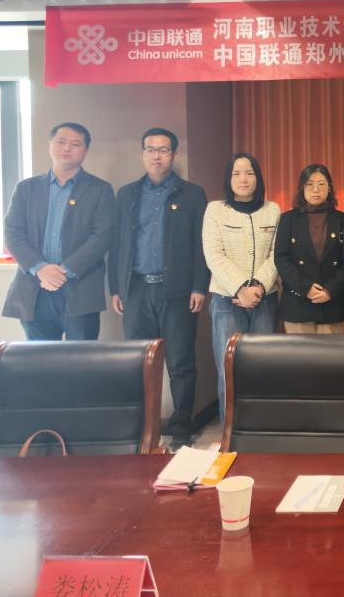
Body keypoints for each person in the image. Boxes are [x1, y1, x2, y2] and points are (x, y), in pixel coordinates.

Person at [109, 128, 209, 449]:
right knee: (139, 360)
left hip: (177, 291)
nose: (157, 156)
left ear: (173, 155)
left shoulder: (192, 194)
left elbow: (200, 244)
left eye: (164, 150)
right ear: (142, 154)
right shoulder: (127, 194)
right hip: (136, 289)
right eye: (150, 149)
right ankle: (144, 425)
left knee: (180, 362)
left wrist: (199, 286)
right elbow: (117, 243)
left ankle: (180, 427)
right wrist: (116, 287)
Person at [2, 122, 114, 341]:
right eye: (61, 142)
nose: (67, 148)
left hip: (80, 289)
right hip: (35, 288)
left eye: (75, 144)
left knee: (81, 358)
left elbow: (102, 236)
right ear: (50, 146)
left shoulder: (100, 189)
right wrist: (40, 268)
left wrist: (64, 271)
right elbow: (13, 233)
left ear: (85, 151)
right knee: (40, 358)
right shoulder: (26, 189)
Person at [203, 153, 281, 422]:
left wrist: (257, 286)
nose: (243, 179)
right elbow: (214, 254)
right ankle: (231, 431)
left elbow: (276, 254)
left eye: (249, 173)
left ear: (258, 177)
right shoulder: (215, 210)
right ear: (228, 178)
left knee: (263, 367)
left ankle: (260, 428)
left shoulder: (272, 210)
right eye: (236, 173)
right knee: (229, 369)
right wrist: (240, 288)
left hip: (264, 300)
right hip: (227, 301)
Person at [275, 164, 344, 333]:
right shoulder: (288, 219)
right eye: (309, 184)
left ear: (329, 188)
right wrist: (305, 288)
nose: (316, 189)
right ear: (302, 188)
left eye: (321, 184)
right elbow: (281, 258)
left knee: (332, 351)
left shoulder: (343, 219)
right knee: (299, 351)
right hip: (297, 304)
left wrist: (331, 290)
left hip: (332, 303)